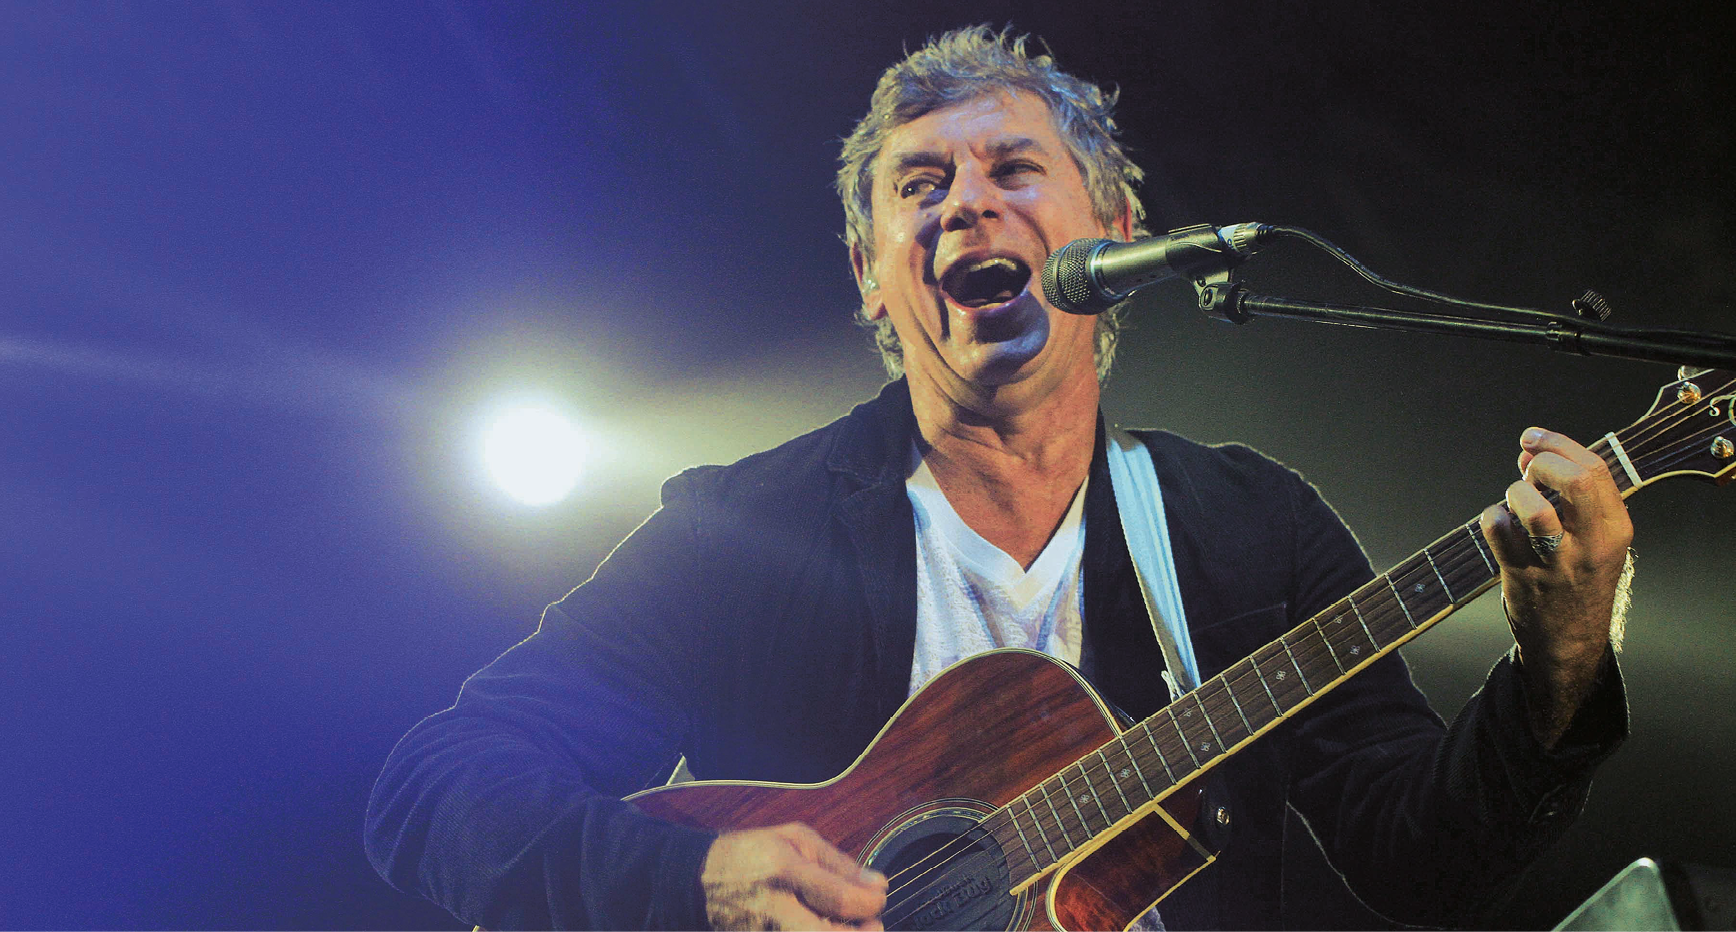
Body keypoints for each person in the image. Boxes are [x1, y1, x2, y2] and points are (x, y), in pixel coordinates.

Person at [365, 26, 1632, 932]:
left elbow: (1424, 863)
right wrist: (686, 883)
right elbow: (436, 783)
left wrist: (1557, 671)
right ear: (872, 271)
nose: (966, 205)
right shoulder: (745, 528)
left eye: (1013, 169)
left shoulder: (1251, 528)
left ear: (1115, 232)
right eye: (920, 187)